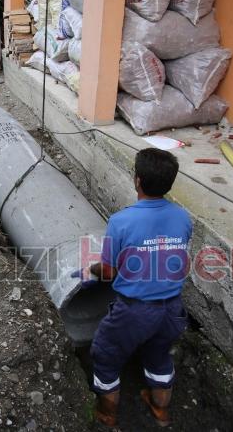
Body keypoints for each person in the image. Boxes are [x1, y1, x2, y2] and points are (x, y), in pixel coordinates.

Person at [74, 148, 192, 427]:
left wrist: (89, 269)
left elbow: (109, 271)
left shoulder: (121, 222)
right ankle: (160, 410)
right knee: (158, 355)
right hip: (173, 309)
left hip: (135, 312)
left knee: (105, 353)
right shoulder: (183, 218)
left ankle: (108, 414)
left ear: (137, 180)